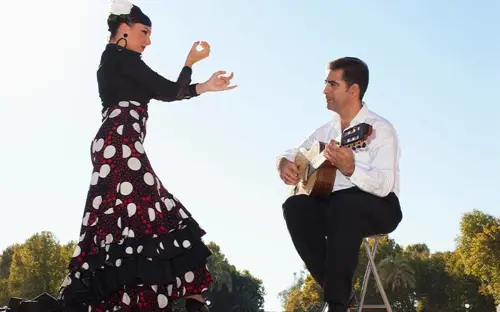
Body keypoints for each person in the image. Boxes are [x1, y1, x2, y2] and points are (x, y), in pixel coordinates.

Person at [53, 1, 235, 311]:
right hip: (120, 142)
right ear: (124, 29)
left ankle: (170, 299)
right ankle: (192, 299)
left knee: (131, 219)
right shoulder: (120, 58)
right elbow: (169, 89)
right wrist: (190, 63)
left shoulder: (121, 61)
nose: (148, 41)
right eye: (144, 32)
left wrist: (203, 85)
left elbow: (168, 91)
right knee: (152, 211)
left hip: (119, 142)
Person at [276, 57, 403, 312]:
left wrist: (351, 168)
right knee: (294, 206)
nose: (325, 90)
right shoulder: (327, 130)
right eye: (326, 83)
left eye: (332, 84)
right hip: (335, 208)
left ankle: (337, 304)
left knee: (345, 205)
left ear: (353, 90)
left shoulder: (380, 129)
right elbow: (296, 150)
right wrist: (282, 161)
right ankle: (341, 291)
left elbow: (384, 185)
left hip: (380, 205)